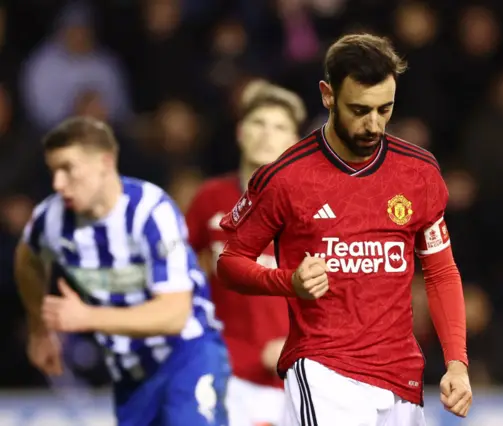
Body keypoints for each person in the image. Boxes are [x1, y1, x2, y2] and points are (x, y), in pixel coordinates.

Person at [217, 33, 473, 425]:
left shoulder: (418, 173)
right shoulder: (286, 178)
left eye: (384, 110)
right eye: (359, 110)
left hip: (401, 376)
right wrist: (289, 282)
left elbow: (440, 271)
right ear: (327, 94)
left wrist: (457, 362)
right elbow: (231, 263)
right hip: (323, 370)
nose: (374, 124)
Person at [14, 116, 230, 426]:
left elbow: (174, 314)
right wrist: (39, 328)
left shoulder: (151, 212)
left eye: (67, 169)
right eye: (53, 171)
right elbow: (27, 258)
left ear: (104, 162)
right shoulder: (51, 218)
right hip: (129, 370)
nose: (58, 184)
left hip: (187, 355)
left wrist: (86, 317)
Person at [186, 82, 306, 426]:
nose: (268, 134)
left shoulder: (313, 209)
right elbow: (174, 272)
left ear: (293, 143)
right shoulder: (210, 198)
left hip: (295, 377)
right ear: (240, 132)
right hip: (225, 372)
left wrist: (299, 344)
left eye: (280, 127)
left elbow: (344, 291)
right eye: (259, 123)